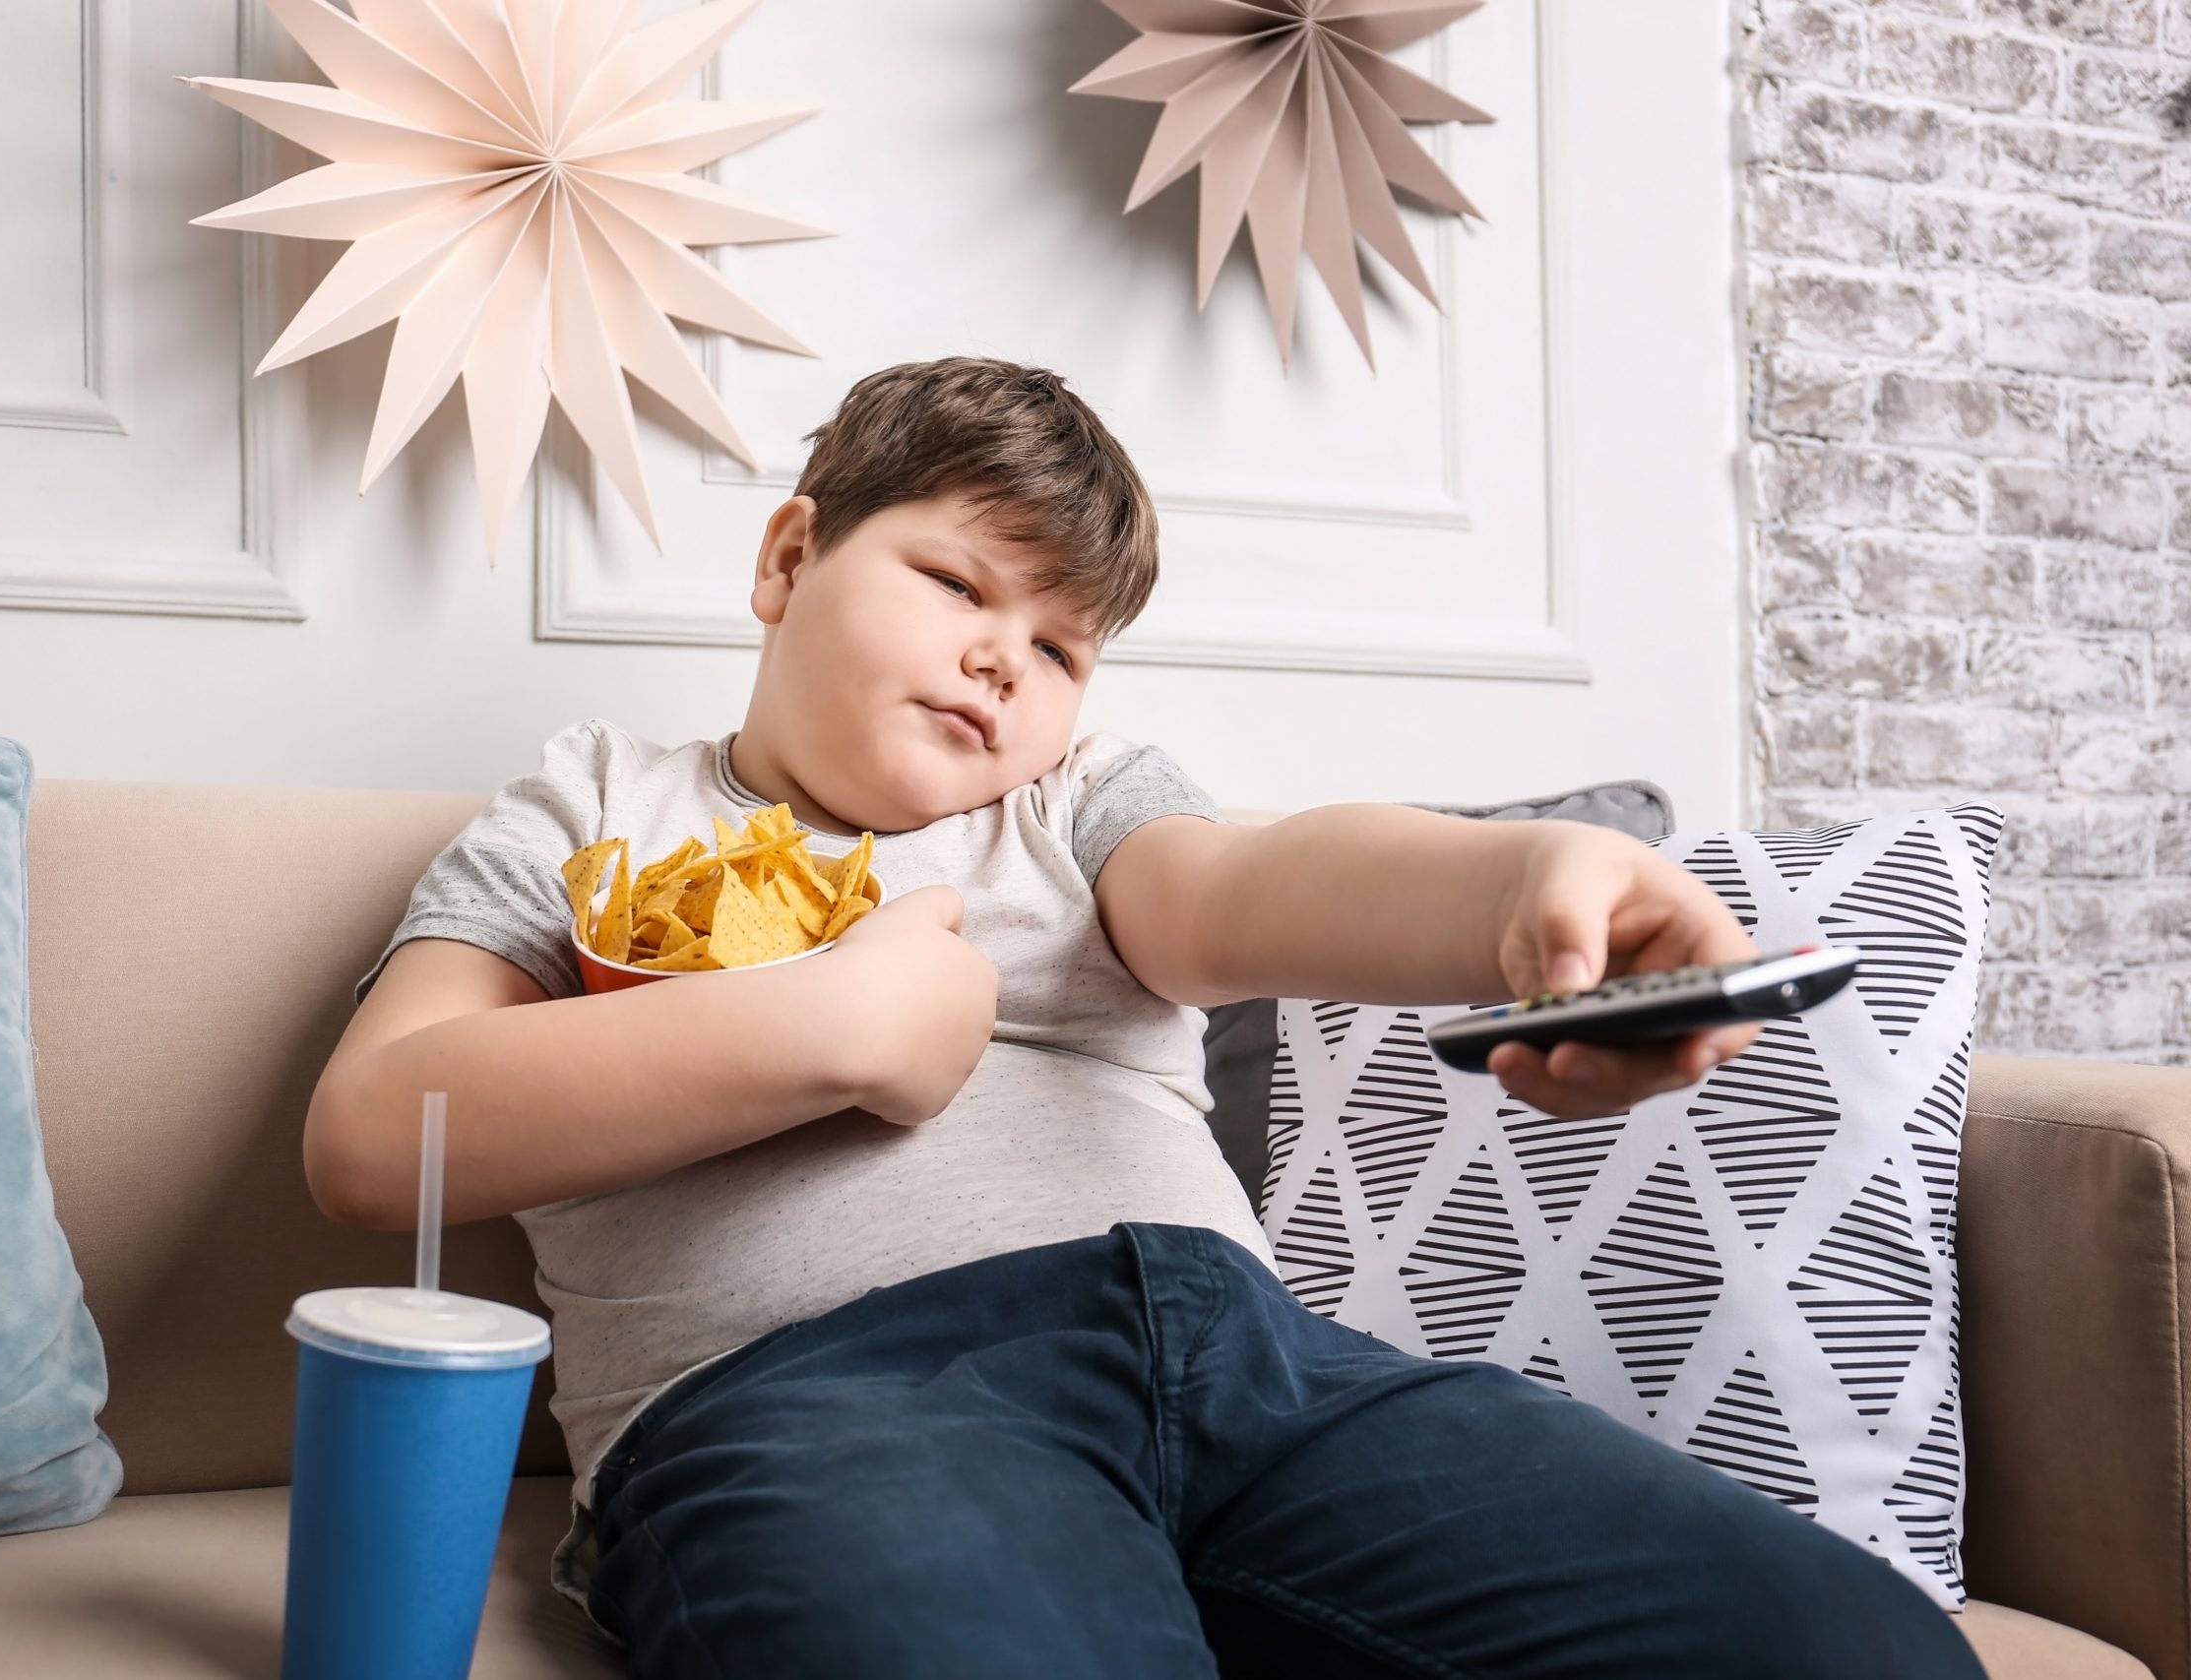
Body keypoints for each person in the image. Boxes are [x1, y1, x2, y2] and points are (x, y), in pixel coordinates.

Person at [306, 357, 1982, 1678]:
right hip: (810, 1400)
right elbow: (381, 1134)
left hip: (1253, 1367)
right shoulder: (594, 803)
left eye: (1060, 644)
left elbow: (1249, 888)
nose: (1003, 665)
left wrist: (1521, 882)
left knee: (1860, 1648)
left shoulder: (1080, 801)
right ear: (791, 554)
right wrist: (829, 1031)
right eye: (961, 584)